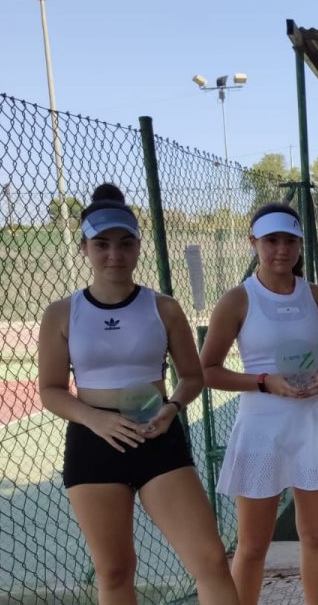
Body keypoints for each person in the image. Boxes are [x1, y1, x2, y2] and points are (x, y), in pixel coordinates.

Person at [36, 183, 240, 605]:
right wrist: (96, 418)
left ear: (138, 246)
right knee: (114, 571)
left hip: (156, 438)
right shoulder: (61, 313)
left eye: (126, 243)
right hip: (94, 444)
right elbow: (51, 391)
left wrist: (172, 409)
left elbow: (191, 376)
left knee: (211, 561)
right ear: (84, 249)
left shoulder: (163, 307)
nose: (115, 254)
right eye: (102, 244)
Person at [199, 203, 318, 605]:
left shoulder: (317, 297)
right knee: (252, 545)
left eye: (289, 240)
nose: (281, 249)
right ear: (253, 243)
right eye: (270, 241)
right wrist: (266, 382)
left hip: (312, 426)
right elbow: (207, 370)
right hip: (261, 430)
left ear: (300, 245)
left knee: (316, 536)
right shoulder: (236, 300)